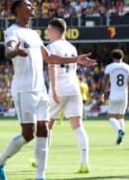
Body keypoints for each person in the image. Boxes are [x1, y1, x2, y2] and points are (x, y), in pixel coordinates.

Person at [0, 0, 96, 180]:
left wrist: (75, 59)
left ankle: (40, 176)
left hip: (40, 89)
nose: (32, 7)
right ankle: (0, 161)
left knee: (44, 129)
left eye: (32, 5)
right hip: (24, 88)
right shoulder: (12, 32)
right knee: (28, 134)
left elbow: (48, 57)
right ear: (17, 9)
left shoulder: (34, 34)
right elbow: (8, 50)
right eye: (28, 5)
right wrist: (15, 52)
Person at [45, 18, 90, 174]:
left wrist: (54, 91)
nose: (47, 32)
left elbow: (52, 68)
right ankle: (84, 163)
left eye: (49, 30)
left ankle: (41, 160)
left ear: (56, 30)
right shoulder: (72, 48)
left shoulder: (52, 46)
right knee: (78, 127)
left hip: (60, 88)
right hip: (74, 88)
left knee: (46, 126)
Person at [100, 49, 129, 145]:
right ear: (122, 57)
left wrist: (102, 93)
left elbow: (105, 81)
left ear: (113, 57)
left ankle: (119, 131)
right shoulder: (127, 67)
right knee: (121, 117)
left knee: (110, 116)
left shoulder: (110, 67)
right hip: (124, 95)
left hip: (114, 95)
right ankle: (120, 140)